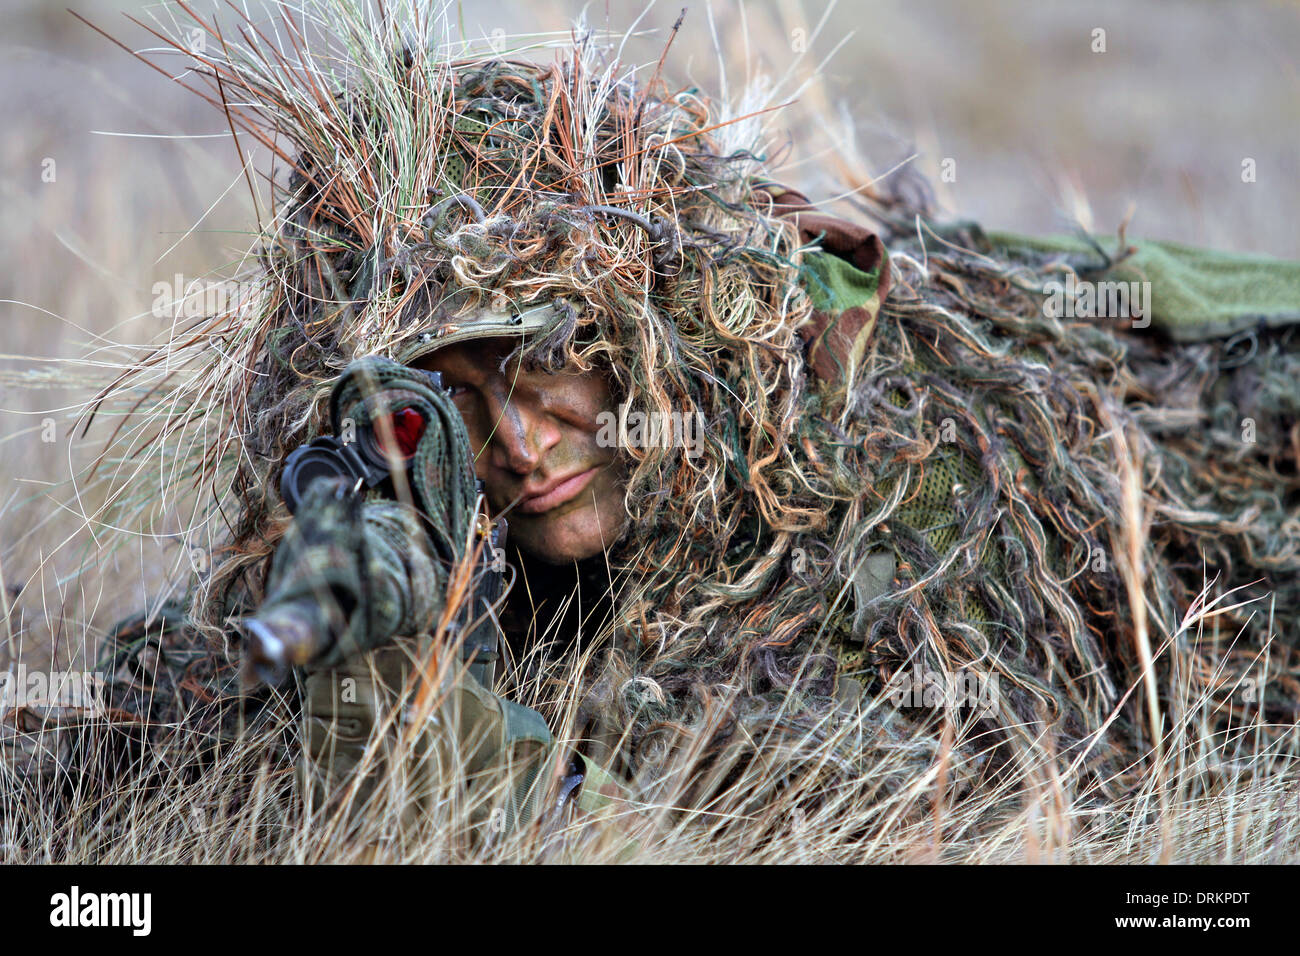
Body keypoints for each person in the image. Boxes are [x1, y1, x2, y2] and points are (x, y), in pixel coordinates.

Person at [10, 2, 1300, 845]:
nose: (519, 442)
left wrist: (469, 746)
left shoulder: (840, 452)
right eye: (458, 397)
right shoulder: (421, 501)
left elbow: (870, 791)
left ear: (652, 335)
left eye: (555, 362)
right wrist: (267, 659)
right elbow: (144, 721)